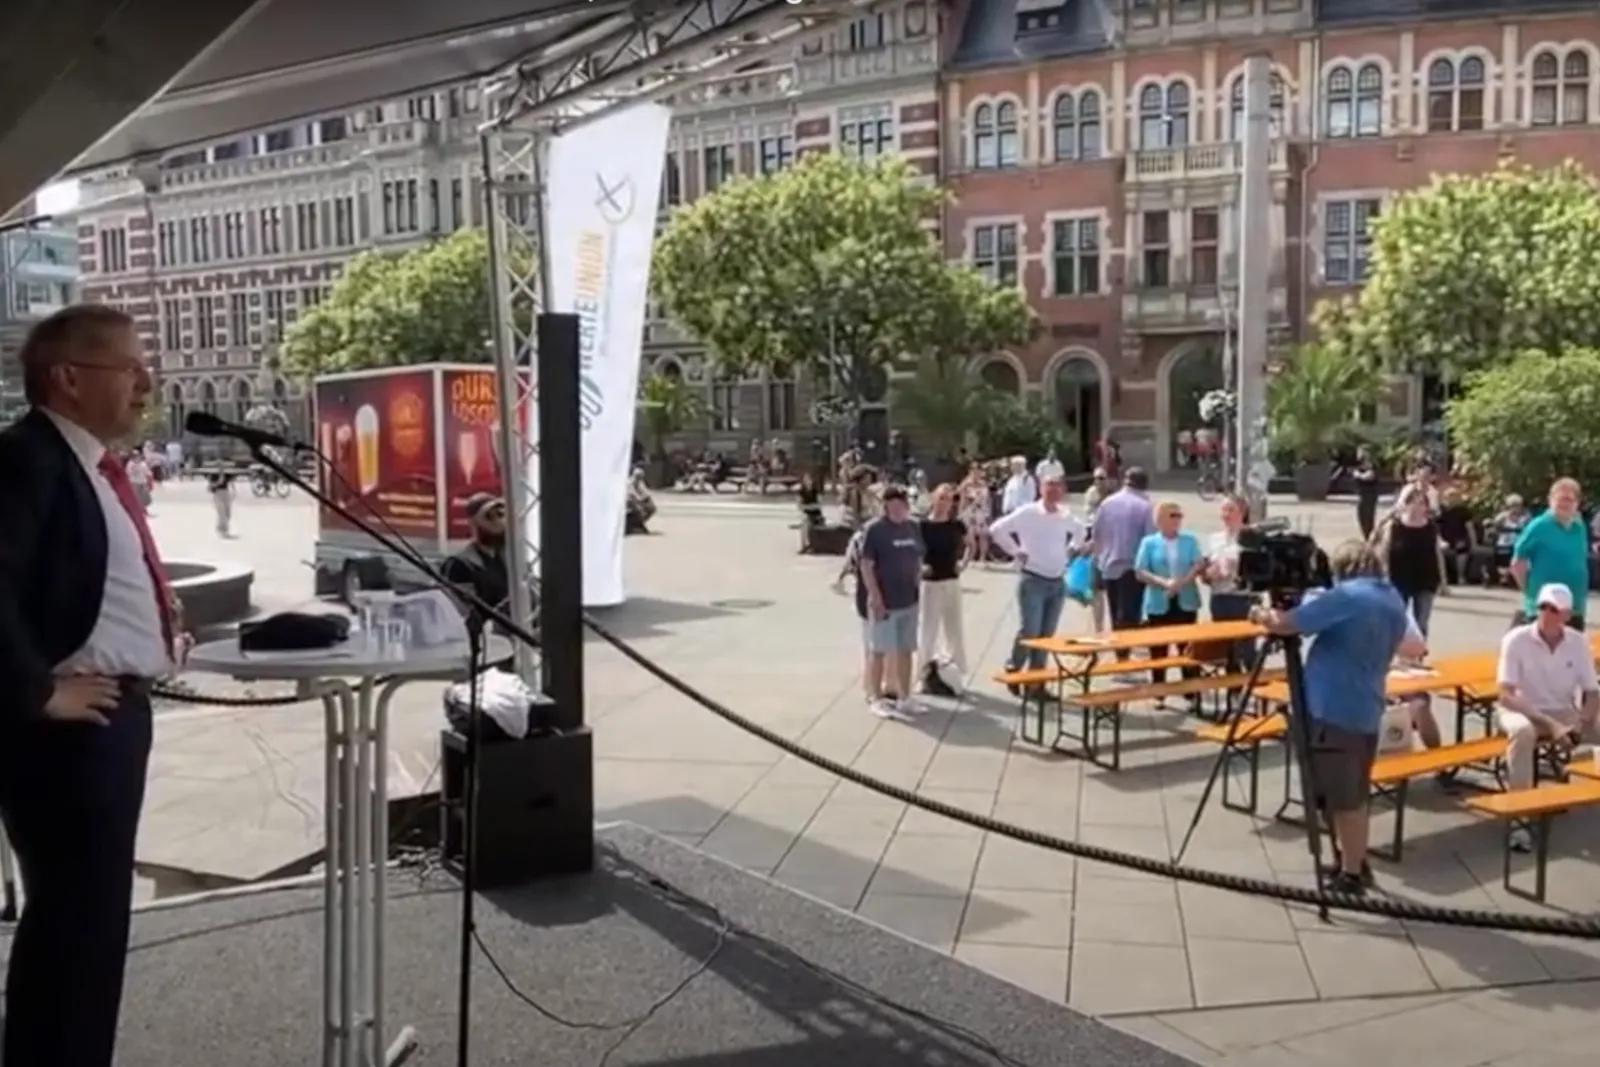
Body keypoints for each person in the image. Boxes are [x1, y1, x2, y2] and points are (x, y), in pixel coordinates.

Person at [0, 304, 190, 1067]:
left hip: (109, 719)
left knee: (92, 929)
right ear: (68, 378)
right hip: (68, 733)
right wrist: (35, 691)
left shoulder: (85, 461)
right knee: (75, 934)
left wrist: (159, 630)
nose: (147, 380)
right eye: (130, 367)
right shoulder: (27, 459)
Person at [1251, 540, 1424, 895]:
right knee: (1353, 791)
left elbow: (1287, 625)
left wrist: (1260, 614)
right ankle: (1352, 861)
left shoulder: (1348, 597)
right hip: (1366, 705)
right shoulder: (1391, 596)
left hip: (1333, 709)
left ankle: (1353, 872)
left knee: (1345, 800)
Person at [1496, 582, 1600, 850]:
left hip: (1564, 711)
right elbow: (1506, 695)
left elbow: (1592, 692)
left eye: (1555, 609)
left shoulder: (1577, 642)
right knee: (1522, 733)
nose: (1547, 614)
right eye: (1543, 607)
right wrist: (1553, 726)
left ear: (1567, 615)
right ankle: (1520, 822)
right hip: (1521, 709)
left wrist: (1581, 723)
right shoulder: (1516, 640)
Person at [989, 473, 1087, 680]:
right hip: (1033, 579)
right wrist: (1016, 550)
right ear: (1040, 488)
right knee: (1030, 631)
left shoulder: (1065, 514)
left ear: (1063, 490)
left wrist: (1072, 549)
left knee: (1046, 636)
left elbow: (1081, 532)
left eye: (1058, 486)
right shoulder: (1028, 512)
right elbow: (997, 529)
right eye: (1049, 485)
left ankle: (1036, 681)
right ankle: (1014, 667)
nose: (1053, 489)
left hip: (1057, 581)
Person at [858, 486, 926, 720]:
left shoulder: (913, 527)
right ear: (885, 506)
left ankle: (904, 697)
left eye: (900, 504)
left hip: (909, 600)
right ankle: (876, 698)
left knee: (906, 649)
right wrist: (876, 597)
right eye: (891, 505)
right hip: (885, 602)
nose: (897, 509)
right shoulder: (875, 530)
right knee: (879, 650)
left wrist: (918, 581)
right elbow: (866, 565)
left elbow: (918, 557)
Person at [1134, 501, 1206, 688]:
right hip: (1159, 600)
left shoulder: (1189, 540)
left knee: (1187, 647)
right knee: (1158, 649)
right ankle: (1159, 690)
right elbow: (1140, 571)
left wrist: (1181, 581)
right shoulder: (1149, 542)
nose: (1177, 519)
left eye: (1179, 515)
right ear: (1160, 520)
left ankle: (1190, 690)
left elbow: (1198, 564)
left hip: (1186, 599)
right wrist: (1164, 582)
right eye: (1172, 515)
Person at [1511, 477, 1590, 630]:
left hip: (1574, 606)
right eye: (1560, 499)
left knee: (1572, 651)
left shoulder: (1579, 527)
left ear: (1577, 503)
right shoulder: (1539, 526)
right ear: (1550, 500)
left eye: (1569, 499)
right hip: (1546, 606)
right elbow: (1518, 562)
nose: (1565, 504)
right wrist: (1529, 591)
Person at [1092, 466, 1156, 646]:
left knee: (1115, 612)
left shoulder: (1107, 503)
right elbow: (1149, 540)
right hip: (1133, 567)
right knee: (1130, 614)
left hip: (1108, 566)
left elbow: (1097, 535)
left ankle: (1120, 652)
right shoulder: (1145, 506)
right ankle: (1126, 653)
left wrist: (1098, 559)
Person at [917, 483, 968, 696]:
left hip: (951, 579)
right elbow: (914, 550)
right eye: (941, 498)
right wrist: (920, 567)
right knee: (928, 629)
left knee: (954, 628)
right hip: (931, 581)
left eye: (949, 499)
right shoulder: (922, 525)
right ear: (933, 498)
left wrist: (964, 563)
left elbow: (970, 544)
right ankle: (922, 674)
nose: (945, 503)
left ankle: (956, 672)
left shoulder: (957, 525)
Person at [1375, 485, 1444, 635]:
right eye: (1413, 502)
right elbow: (1384, 552)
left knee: (1421, 622)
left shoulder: (1431, 528)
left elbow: (1437, 554)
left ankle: (1417, 655)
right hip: (1399, 579)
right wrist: (1382, 576)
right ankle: (1397, 653)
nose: (1417, 507)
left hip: (1426, 580)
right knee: (1398, 620)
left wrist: (1443, 581)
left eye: (1421, 504)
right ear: (1405, 505)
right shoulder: (1394, 526)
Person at [1202, 493, 1257, 667]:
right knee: (1226, 649)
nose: (1226, 514)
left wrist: (1236, 567)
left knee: (1247, 648)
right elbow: (1204, 571)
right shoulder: (1214, 539)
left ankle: (1252, 685)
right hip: (1219, 597)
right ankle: (1233, 691)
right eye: (1223, 510)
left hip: (1243, 598)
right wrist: (1209, 574)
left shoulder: (1252, 537)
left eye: (1230, 510)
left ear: (1242, 512)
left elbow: (1260, 569)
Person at [442, 493, 511, 619]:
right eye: (489, 516)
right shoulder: (460, 564)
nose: (499, 522)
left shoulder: (509, 562)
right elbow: (463, 613)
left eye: (501, 514)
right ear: (474, 524)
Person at [1435, 485, 1477, 586]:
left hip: (1460, 539)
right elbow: (1435, 528)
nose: (1453, 498)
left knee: (1462, 551)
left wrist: (1474, 542)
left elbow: (1469, 527)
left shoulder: (1463, 511)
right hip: (1444, 539)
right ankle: (1441, 579)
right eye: (1450, 496)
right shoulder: (1440, 511)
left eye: (1455, 496)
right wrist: (1439, 540)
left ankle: (1460, 576)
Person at [958, 464, 992, 566]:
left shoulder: (984, 484)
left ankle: (982, 558)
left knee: (983, 535)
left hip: (982, 512)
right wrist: (961, 513)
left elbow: (988, 499)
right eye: (973, 470)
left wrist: (988, 512)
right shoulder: (965, 484)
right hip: (969, 512)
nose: (976, 473)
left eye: (978, 471)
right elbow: (962, 499)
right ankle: (970, 557)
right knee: (970, 535)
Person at [1352, 446, 1381, 541]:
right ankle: (1367, 538)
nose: (1358, 454)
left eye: (1361, 452)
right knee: (1361, 517)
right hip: (1362, 495)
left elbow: (1370, 476)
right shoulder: (1359, 466)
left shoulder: (1372, 465)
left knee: (1368, 519)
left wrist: (1358, 475)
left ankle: (1371, 539)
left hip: (1370, 495)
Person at [207, 465, 235, 537]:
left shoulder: (227, 475)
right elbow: (209, 487)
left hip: (226, 493)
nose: (221, 469)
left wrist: (234, 492)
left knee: (228, 514)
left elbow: (231, 483)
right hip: (217, 494)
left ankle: (222, 528)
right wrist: (218, 482)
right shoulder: (213, 475)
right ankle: (222, 530)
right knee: (221, 513)